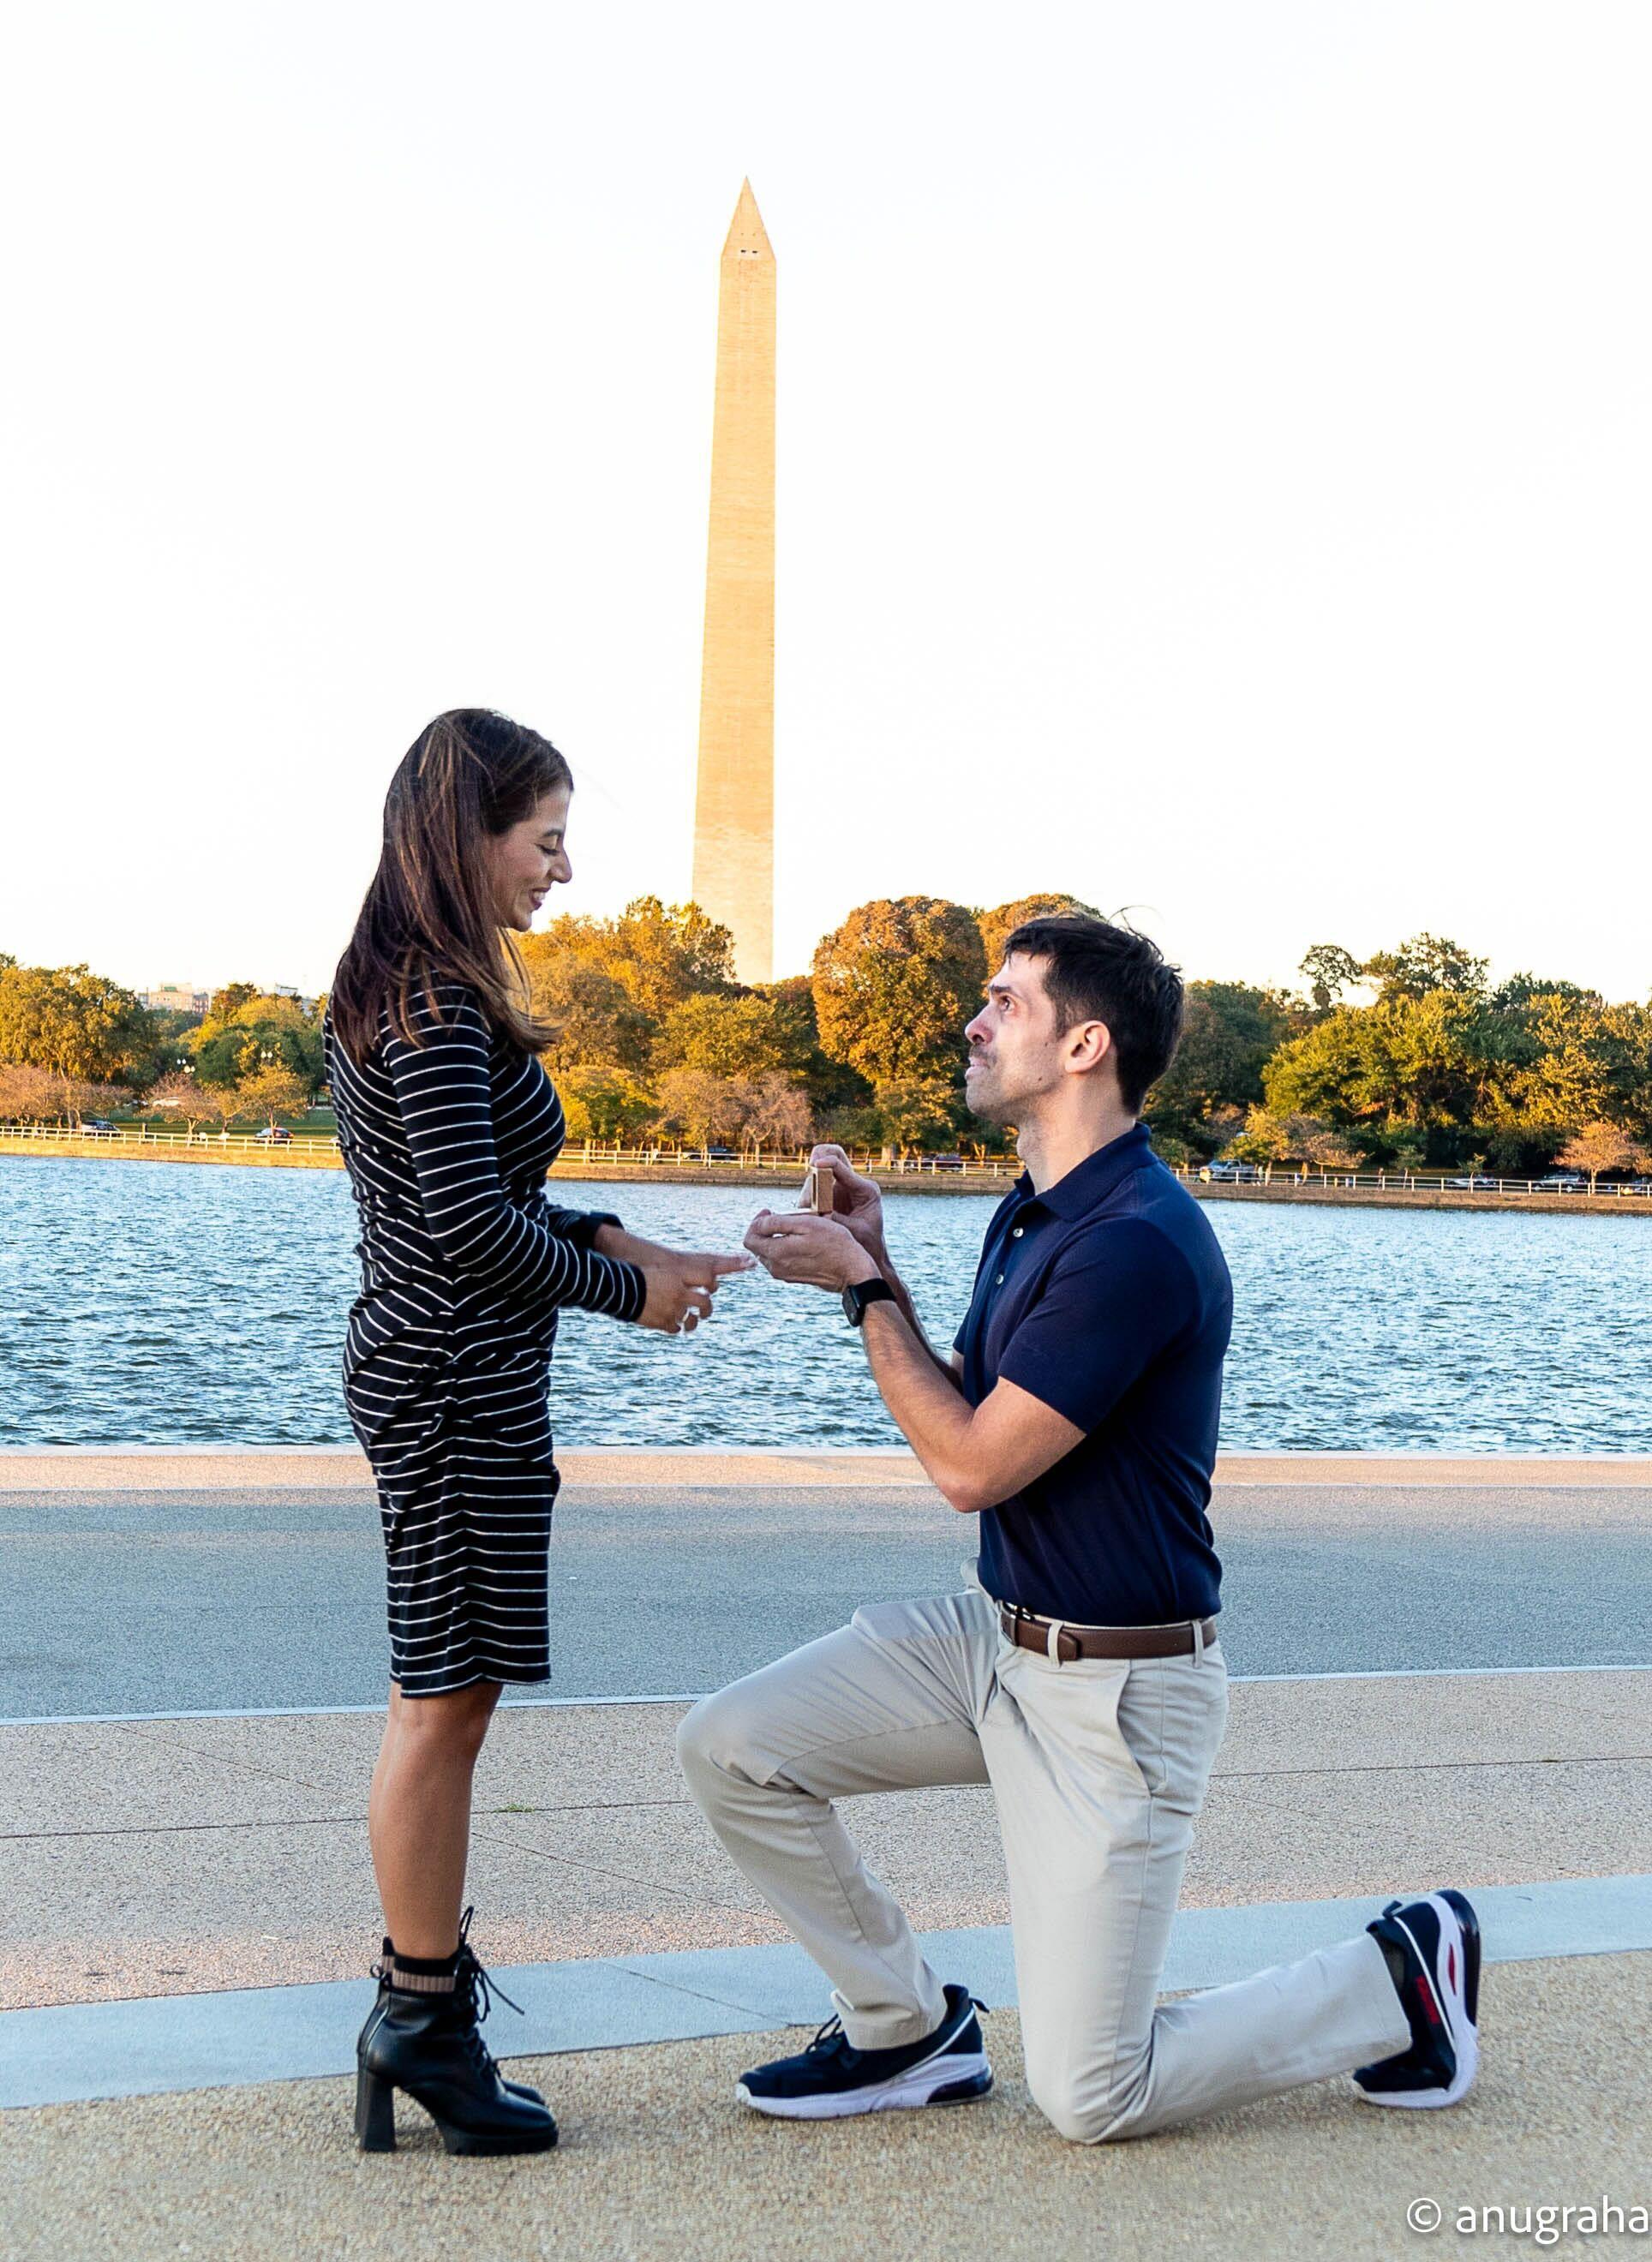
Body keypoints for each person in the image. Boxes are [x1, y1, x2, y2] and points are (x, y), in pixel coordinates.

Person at [679, 913, 1479, 2141]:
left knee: (1095, 2092)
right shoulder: (1040, 1210)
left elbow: (968, 1468)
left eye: (1006, 1001)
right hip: (991, 1641)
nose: (974, 1018)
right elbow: (983, 1408)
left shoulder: (1137, 1243)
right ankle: (905, 2028)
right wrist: (881, 1260)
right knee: (734, 1745)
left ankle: (1399, 1975)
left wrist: (860, 1285)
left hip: (1115, 1696)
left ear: (1086, 1045)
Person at [326, 709, 748, 2157]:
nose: (563, 870)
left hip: (460, 1379)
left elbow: (493, 1209)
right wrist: (632, 1295)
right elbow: (458, 1234)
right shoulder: (433, 1010)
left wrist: (635, 1243)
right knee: (441, 1703)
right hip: (450, 1384)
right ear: (468, 834)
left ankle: (421, 2006)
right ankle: (421, 2020)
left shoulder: (422, 993)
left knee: (454, 1697)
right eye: (546, 837)